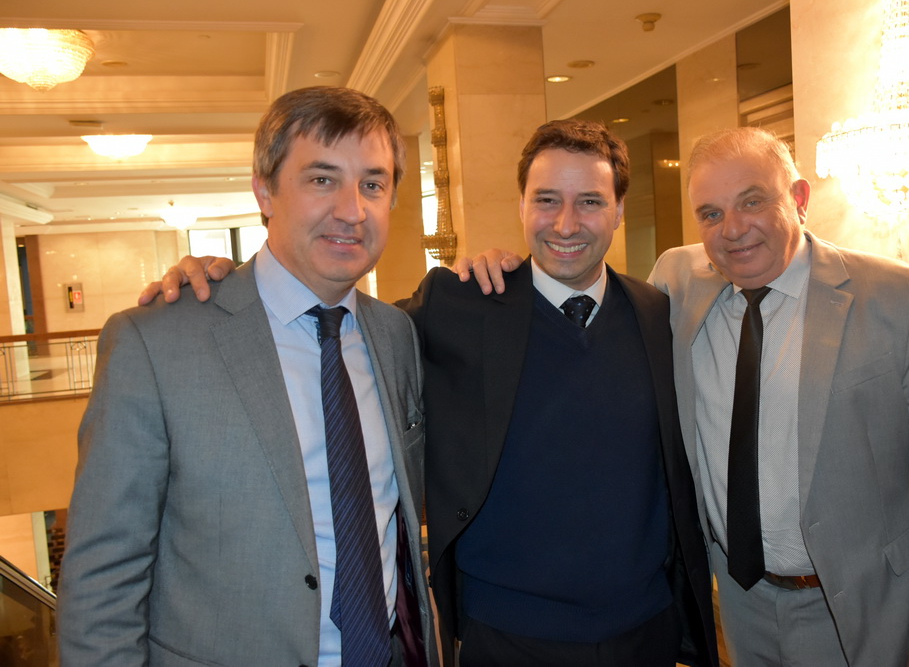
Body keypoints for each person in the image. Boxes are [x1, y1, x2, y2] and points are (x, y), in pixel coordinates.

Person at [141, 119, 719, 666]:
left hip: (643, 626)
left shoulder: (654, 311)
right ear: (521, 206)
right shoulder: (459, 303)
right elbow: (332, 325)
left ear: (619, 210)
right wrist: (229, 283)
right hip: (505, 634)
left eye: (590, 202)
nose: (566, 224)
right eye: (546, 199)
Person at [459, 127, 909, 667]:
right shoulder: (676, 283)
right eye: (711, 213)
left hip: (863, 606)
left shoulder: (900, 298)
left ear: (799, 198)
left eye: (752, 201)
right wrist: (504, 271)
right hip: (738, 605)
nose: (733, 229)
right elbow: (584, 305)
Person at [58, 87, 439, 667]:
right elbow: (103, 574)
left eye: (372, 184)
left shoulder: (396, 335)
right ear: (264, 190)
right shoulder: (157, 342)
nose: (351, 211)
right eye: (322, 180)